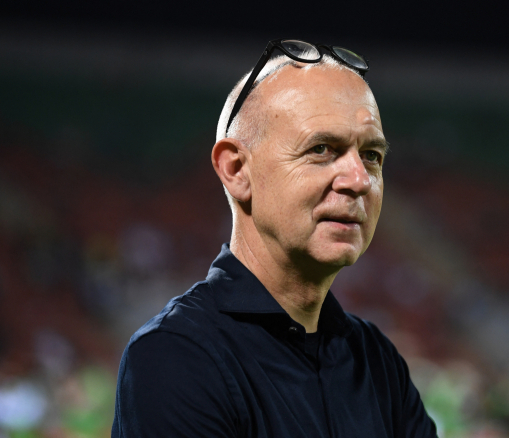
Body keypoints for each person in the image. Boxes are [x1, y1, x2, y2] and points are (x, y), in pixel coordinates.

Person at [112, 39, 437, 438]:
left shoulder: (377, 360)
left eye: (371, 155)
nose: (358, 180)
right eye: (321, 149)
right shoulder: (175, 355)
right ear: (236, 170)